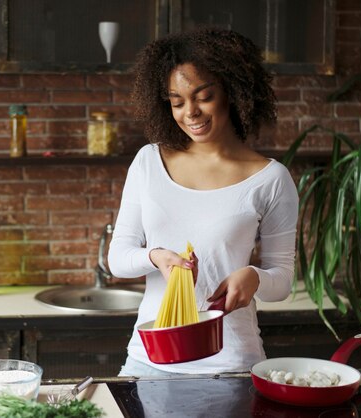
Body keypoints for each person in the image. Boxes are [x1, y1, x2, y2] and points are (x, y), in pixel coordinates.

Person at [108, 27, 299, 376]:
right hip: (148, 361)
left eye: (203, 96)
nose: (190, 112)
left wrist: (254, 277)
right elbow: (118, 259)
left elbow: (282, 281)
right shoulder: (149, 162)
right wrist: (157, 257)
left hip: (230, 365)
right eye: (177, 102)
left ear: (232, 91)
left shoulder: (271, 179)